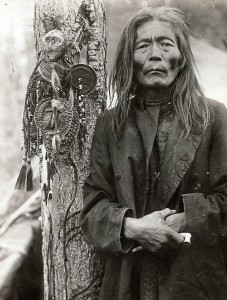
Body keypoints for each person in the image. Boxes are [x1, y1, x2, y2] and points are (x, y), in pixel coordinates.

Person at [80, 6, 227, 300]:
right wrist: (132, 227)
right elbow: (93, 209)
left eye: (166, 44)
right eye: (143, 45)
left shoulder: (214, 116)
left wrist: (186, 219)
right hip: (127, 280)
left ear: (181, 56)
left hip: (193, 280)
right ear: (129, 59)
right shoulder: (111, 124)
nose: (155, 54)